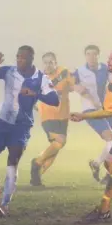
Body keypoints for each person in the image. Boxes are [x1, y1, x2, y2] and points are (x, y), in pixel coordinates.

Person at [0, 47, 59, 216]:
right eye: (17, 57)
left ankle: (5, 205)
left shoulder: (41, 78)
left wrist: (35, 93)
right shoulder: (9, 71)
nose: (19, 60)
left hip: (21, 127)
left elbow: (55, 100)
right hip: (2, 123)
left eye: (23, 58)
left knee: (12, 164)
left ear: (31, 59)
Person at [70, 50, 112, 222]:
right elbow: (109, 110)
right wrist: (83, 115)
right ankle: (107, 207)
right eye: (108, 58)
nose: (108, 61)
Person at [31, 52, 75, 186]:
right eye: (46, 62)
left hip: (63, 114)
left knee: (57, 147)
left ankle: (37, 176)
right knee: (59, 142)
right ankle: (37, 162)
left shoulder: (64, 72)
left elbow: (72, 87)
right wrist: (36, 107)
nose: (49, 65)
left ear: (56, 63)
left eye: (51, 62)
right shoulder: (38, 78)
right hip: (48, 114)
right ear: (42, 64)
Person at [73, 45, 112, 182]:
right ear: (85, 56)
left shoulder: (105, 68)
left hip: (106, 110)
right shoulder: (79, 71)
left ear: (98, 55)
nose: (91, 57)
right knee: (111, 138)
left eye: (94, 54)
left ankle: (99, 165)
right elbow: (72, 85)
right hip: (90, 110)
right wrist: (76, 87)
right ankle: (106, 170)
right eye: (88, 54)